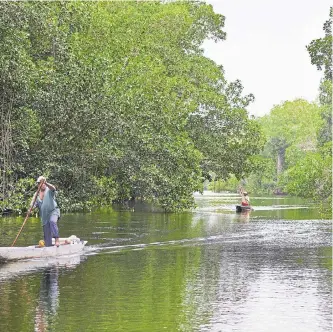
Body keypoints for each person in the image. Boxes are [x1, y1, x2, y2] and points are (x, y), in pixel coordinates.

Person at [31, 176, 60, 247]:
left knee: (52, 221)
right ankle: (49, 246)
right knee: (48, 243)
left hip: (53, 211)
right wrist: (31, 209)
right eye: (40, 183)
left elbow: (54, 188)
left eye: (43, 183)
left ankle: (57, 240)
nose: (42, 184)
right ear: (38, 185)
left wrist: (46, 183)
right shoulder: (36, 194)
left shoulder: (49, 190)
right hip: (44, 217)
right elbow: (33, 204)